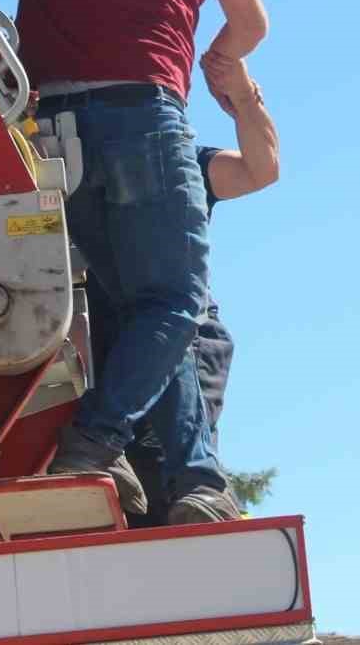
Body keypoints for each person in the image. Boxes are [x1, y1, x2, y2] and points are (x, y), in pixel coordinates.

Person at [0, 0, 267, 524]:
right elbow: (250, 23)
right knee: (176, 302)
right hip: (140, 114)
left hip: (51, 131)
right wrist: (218, 66)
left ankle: (199, 483)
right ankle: (93, 442)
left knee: (143, 311)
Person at [117, 55, 280, 525]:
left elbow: (260, 169)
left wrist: (245, 103)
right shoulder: (78, 156)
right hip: (112, 343)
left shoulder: (182, 164)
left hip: (183, 339)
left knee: (165, 468)